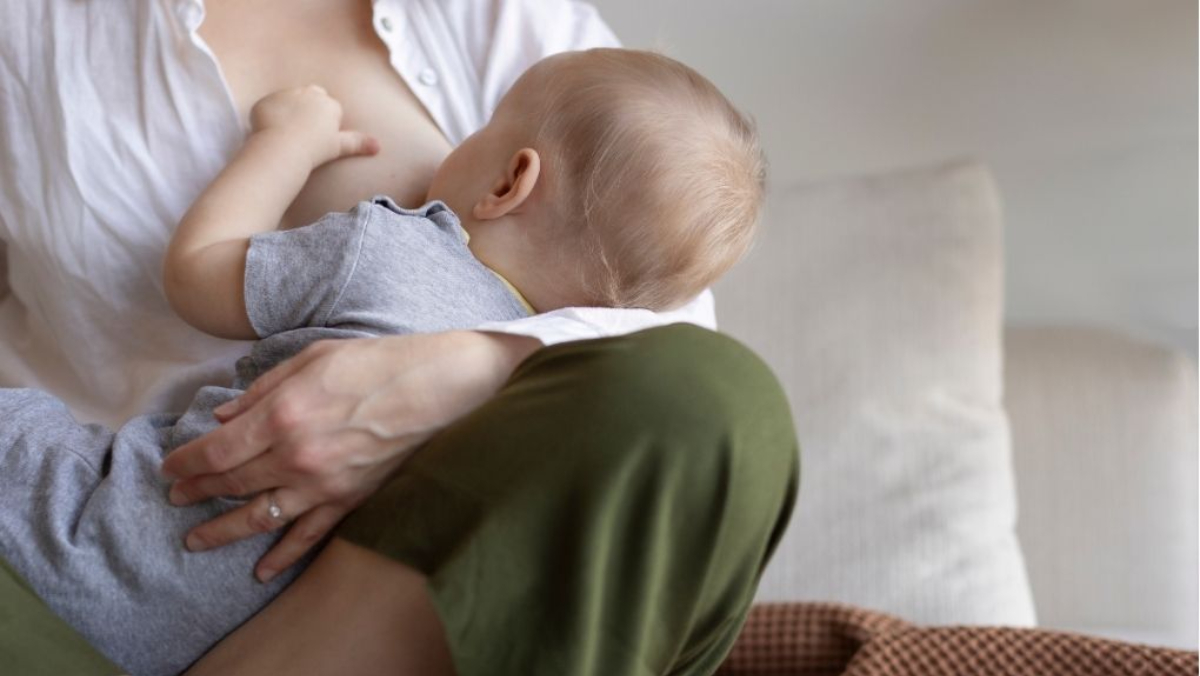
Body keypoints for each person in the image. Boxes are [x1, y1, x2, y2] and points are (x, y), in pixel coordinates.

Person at [0, 2, 799, 674]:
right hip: (251, 593)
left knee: (712, 399)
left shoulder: (383, 242)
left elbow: (200, 273)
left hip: (110, 532)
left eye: (483, 130)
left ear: (509, 181)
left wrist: (285, 145)